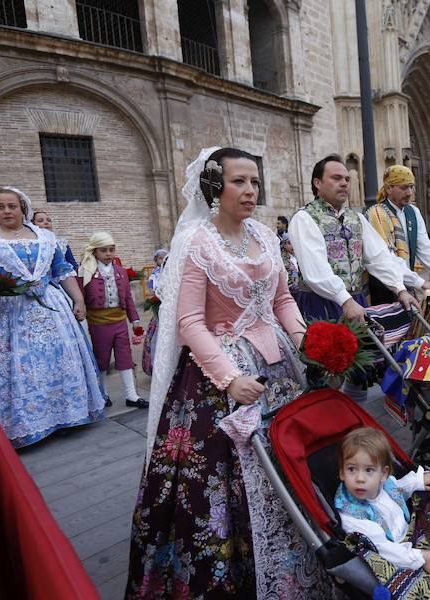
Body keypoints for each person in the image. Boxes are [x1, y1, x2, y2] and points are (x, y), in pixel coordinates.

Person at [127, 147, 333, 598]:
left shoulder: (262, 234)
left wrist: (306, 342)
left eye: (254, 182)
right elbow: (188, 323)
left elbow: (281, 300)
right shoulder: (198, 242)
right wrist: (228, 377)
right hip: (217, 371)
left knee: (293, 456)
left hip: (277, 364)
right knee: (226, 476)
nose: (250, 191)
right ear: (215, 187)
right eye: (240, 181)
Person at [0, 187, 104, 452]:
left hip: (50, 312)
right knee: (15, 367)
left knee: (57, 362)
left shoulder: (46, 238)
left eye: (12, 206)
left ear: (23, 208)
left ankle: (64, 416)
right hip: (3, 313)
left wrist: (78, 300)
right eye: (0, 207)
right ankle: (17, 427)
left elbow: (62, 272)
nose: (6, 211)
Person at [289, 154, 419, 322]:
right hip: (320, 303)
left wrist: (400, 289)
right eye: (336, 178)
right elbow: (315, 271)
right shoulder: (304, 218)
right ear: (317, 183)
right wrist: (345, 299)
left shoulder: (357, 218)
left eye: (347, 179)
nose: (344, 183)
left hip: (356, 301)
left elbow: (380, 257)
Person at [336, 427, 430, 572]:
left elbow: (398, 490)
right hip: (396, 556)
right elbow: (383, 548)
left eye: (369, 470)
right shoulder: (352, 515)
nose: (360, 478)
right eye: (351, 469)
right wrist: (420, 557)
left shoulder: (385, 484)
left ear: (383, 474)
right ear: (342, 473)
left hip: (412, 533)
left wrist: (415, 482)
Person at [78, 232, 147, 409]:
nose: (108, 253)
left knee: (125, 357)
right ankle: (103, 394)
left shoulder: (121, 272)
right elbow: (80, 299)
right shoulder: (85, 271)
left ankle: (131, 395)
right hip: (98, 323)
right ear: (94, 252)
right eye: (104, 250)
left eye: (111, 249)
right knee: (102, 359)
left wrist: (135, 320)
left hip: (120, 322)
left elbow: (128, 298)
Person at [365, 165, 430, 302]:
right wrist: (420, 282)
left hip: (408, 285)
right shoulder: (377, 214)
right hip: (385, 289)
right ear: (388, 188)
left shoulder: (413, 212)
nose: (409, 193)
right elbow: (387, 258)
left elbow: (424, 246)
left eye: (411, 187)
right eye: (404, 187)